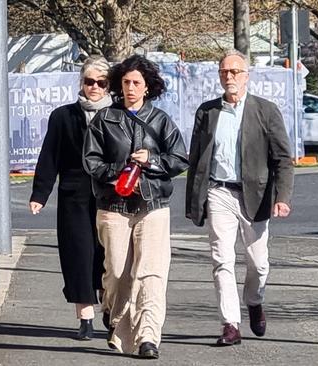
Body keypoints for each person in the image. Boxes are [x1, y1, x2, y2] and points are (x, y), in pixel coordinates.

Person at [185, 49, 294, 346]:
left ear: (247, 75)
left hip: (255, 196)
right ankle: (230, 324)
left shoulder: (265, 110)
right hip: (218, 191)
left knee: (258, 264)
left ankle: (254, 300)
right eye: (224, 72)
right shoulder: (207, 112)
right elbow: (196, 160)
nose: (229, 77)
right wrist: (194, 201)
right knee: (222, 259)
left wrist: (282, 196)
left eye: (234, 72)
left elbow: (283, 158)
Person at [83, 54, 188, 359]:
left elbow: (179, 158)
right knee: (117, 273)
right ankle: (115, 319)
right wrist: (121, 167)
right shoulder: (104, 120)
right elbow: (91, 161)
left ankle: (148, 337)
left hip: (153, 205)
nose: (130, 87)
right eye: (126, 82)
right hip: (113, 206)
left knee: (151, 274)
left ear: (147, 87)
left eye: (136, 83)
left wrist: (152, 161)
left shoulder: (161, 120)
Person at [29, 56, 113, 341]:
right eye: (89, 82)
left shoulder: (118, 115)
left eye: (101, 83)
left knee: (109, 257)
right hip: (74, 196)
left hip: (111, 196)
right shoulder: (63, 116)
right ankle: (85, 317)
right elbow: (50, 157)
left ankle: (111, 310)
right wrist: (40, 193)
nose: (95, 87)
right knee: (78, 256)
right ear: (81, 83)